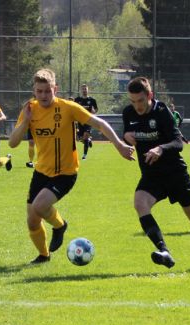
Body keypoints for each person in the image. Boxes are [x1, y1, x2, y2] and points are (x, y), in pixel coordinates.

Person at [9, 69, 134, 264]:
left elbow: (100, 123)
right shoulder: (29, 110)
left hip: (65, 173)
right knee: (32, 219)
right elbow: (13, 143)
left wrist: (119, 145)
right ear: (34, 90)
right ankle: (44, 256)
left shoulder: (68, 107)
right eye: (39, 91)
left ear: (55, 89)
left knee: (40, 206)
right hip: (41, 171)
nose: (43, 95)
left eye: (47, 91)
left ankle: (60, 226)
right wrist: (25, 121)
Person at [123, 77, 190, 268]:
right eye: (133, 101)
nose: (136, 106)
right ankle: (164, 251)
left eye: (140, 100)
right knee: (140, 203)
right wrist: (125, 137)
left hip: (175, 174)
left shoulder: (162, 112)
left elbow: (178, 142)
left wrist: (160, 149)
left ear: (150, 96)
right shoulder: (128, 113)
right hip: (152, 175)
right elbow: (129, 134)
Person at [74, 84, 98, 160]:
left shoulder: (92, 100)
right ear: (81, 90)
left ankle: (84, 155)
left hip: (88, 120)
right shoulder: (77, 100)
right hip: (80, 121)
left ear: (88, 90)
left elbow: (96, 110)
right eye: (83, 89)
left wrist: (93, 111)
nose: (84, 90)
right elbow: (74, 109)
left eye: (85, 89)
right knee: (80, 138)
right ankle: (88, 140)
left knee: (85, 136)